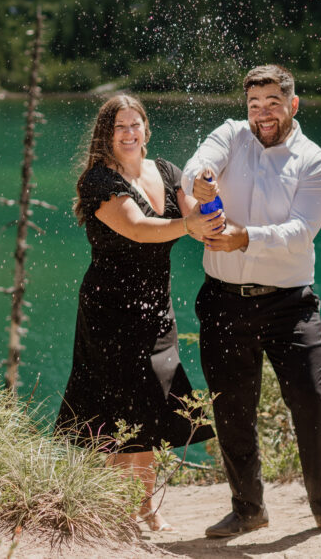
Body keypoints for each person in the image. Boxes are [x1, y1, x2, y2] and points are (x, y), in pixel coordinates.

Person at [181, 65, 321, 537]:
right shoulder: (232, 136)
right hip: (222, 302)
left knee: (311, 403)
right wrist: (200, 180)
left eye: (273, 104)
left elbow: (301, 232)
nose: (263, 114)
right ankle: (248, 508)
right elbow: (200, 162)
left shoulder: (315, 161)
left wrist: (245, 239)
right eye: (255, 105)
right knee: (232, 409)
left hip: (290, 306)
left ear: (293, 105)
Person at [57, 94, 221, 533]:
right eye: (119, 127)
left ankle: (144, 505)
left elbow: (195, 215)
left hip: (156, 308)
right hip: (110, 310)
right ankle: (114, 508)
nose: (129, 134)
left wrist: (208, 204)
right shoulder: (98, 181)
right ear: (106, 135)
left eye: (136, 125)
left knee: (149, 402)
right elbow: (137, 228)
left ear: (147, 129)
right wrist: (189, 227)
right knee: (116, 407)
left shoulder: (165, 171)